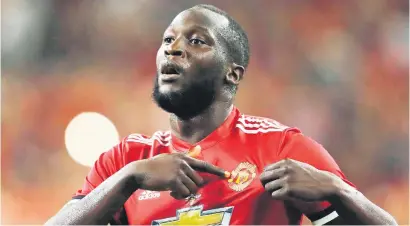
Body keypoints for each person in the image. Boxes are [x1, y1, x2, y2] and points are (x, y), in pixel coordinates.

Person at [46, 4, 397, 225]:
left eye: (197, 41)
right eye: (167, 41)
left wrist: (337, 191)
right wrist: (128, 180)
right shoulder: (125, 160)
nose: (174, 49)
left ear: (233, 72)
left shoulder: (279, 148)